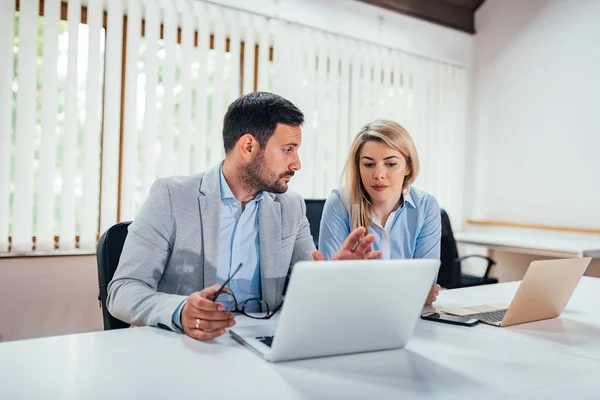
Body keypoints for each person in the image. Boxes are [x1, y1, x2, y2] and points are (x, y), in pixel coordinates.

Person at [107, 92, 382, 341]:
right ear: (248, 146)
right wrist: (180, 311)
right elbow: (122, 291)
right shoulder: (171, 196)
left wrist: (334, 278)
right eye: (288, 149)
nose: (297, 163)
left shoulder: (290, 207)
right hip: (185, 346)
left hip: (261, 344)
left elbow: (305, 290)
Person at [318, 119, 442, 305]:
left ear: (408, 167)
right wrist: (408, 293)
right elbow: (332, 289)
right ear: (358, 168)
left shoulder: (426, 206)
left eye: (390, 164)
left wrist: (359, 286)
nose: (378, 174)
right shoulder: (339, 204)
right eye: (368, 165)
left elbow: (425, 286)